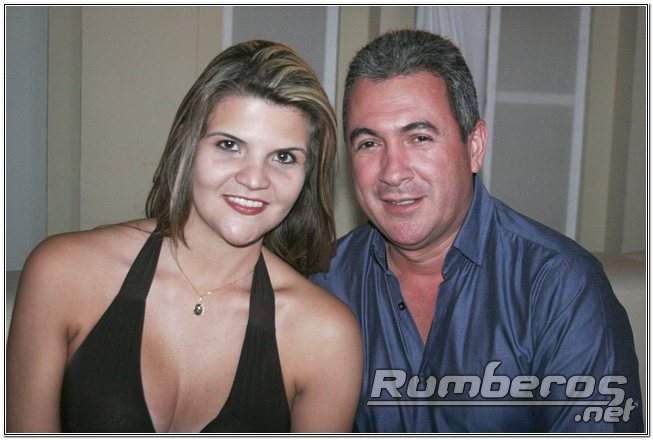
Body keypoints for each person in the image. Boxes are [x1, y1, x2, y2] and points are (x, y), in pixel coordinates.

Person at [7, 40, 362, 433]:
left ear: (306, 176)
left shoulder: (325, 336)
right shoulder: (63, 274)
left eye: (283, 157)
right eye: (230, 145)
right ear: (188, 145)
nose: (254, 179)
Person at [310, 29, 643, 433]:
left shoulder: (559, 286)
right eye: (369, 144)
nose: (393, 172)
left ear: (475, 146)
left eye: (419, 138)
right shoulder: (323, 283)